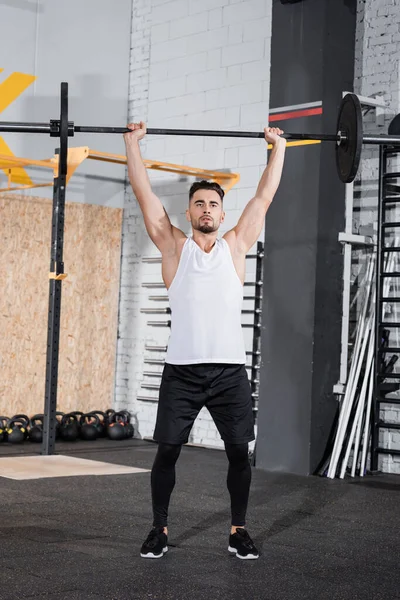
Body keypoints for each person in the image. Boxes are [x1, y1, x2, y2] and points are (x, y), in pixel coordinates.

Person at [124, 122, 286, 560]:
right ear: (190, 211)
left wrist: (279, 148)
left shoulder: (236, 247)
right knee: (168, 451)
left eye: (214, 204)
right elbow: (145, 197)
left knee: (238, 453)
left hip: (229, 372)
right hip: (182, 371)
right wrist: (131, 145)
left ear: (222, 212)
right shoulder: (175, 249)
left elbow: (264, 197)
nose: (207, 210)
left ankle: (238, 530)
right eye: (199, 204)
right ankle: (159, 528)